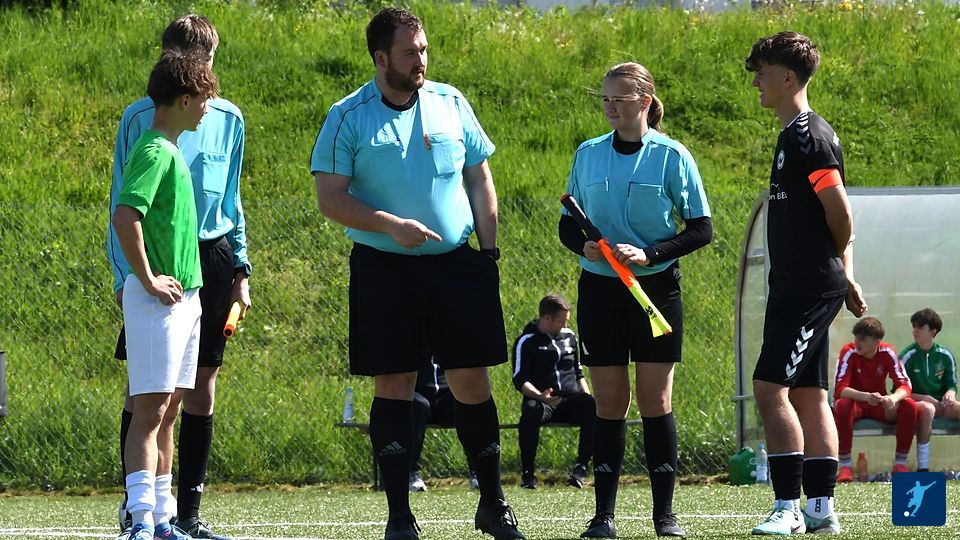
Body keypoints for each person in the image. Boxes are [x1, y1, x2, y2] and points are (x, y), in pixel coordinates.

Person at [310, 7, 525, 540]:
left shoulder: (451, 102)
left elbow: (479, 178)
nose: (420, 60)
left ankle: (493, 505)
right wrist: (390, 225)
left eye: (424, 49)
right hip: (384, 270)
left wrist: (488, 252)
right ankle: (399, 517)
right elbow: (330, 198)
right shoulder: (347, 115)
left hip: (458, 266)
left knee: (472, 381)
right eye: (409, 52)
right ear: (381, 58)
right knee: (395, 384)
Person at [107, 14, 250, 540]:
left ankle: (168, 517)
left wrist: (239, 269)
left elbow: (230, 201)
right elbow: (125, 212)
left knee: (170, 407)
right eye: (202, 87)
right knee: (148, 403)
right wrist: (140, 277)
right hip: (159, 288)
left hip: (194, 283)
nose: (210, 99)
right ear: (185, 89)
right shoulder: (149, 140)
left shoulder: (203, 130)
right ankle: (140, 518)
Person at [559, 62, 712, 538]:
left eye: (619, 99)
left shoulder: (672, 156)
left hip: (655, 290)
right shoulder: (587, 154)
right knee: (609, 402)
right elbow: (568, 224)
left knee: (654, 399)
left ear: (644, 102)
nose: (609, 107)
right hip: (599, 291)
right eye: (604, 98)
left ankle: (664, 516)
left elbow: (700, 229)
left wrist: (650, 254)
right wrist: (583, 245)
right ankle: (603, 517)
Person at [745, 31, 868, 535]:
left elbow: (841, 214)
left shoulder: (808, 137)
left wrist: (834, 271)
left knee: (769, 388)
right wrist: (845, 275)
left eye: (763, 73)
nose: (757, 82)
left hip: (806, 288)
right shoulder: (792, 134)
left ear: (788, 77)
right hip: (805, 285)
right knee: (810, 394)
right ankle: (820, 509)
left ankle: (787, 508)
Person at [511, 294, 594, 490]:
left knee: (593, 405)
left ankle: (581, 469)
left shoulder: (569, 336)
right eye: (561, 321)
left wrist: (586, 394)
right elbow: (520, 379)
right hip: (543, 401)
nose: (565, 325)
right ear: (547, 318)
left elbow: (578, 372)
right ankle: (528, 474)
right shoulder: (526, 341)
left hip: (569, 401)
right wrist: (540, 396)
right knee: (530, 410)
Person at [833, 317, 917, 482]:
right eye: (856, 337)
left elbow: (905, 385)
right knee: (842, 405)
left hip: (878, 405)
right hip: (856, 405)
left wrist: (892, 398)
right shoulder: (848, 351)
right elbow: (840, 389)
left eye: (863, 338)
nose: (857, 342)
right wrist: (866, 396)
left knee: (909, 405)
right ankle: (845, 465)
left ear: (877, 342)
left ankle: (900, 463)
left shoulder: (887, 351)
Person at [900, 308, 959, 472]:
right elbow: (899, 391)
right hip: (916, 405)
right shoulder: (907, 356)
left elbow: (951, 384)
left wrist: (950, 393)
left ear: (933, 332)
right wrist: (924, 398)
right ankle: (923, 468)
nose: (915, 331)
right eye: (914, 326)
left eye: (920, 327)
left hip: (941, 404)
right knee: (928, 409)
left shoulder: (945, 355)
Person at [409, 359, 478, 491]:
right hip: (417, 395)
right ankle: (410, 473)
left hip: (445, 397)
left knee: (468, 400)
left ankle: (478, 471)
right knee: (418, 405)